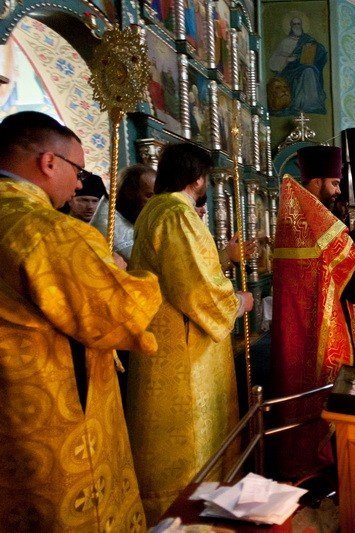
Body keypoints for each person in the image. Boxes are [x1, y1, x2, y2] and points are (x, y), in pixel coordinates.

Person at [0, 111, 162, 530]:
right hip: (49, 417)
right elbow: (120, 311)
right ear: (48, 162)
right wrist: (126, 273)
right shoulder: (46, 230)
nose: (78, 184)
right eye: (77, 170)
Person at [127, 143, 254, 523]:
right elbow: (196, 289)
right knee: (189, 448)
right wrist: (238, 302)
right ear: (198, 178)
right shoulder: (176, 213)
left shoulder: (156, 210)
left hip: (169, 341)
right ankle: (188, 520)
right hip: (181, 353)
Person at [270, 145, 355, 478]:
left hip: (302, 326)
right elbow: (352, 275)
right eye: (333, 183)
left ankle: (309, 462)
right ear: (315, 182)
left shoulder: (301, 212)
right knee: (321, 395)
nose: (337, 190)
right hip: (317, 326)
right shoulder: (310, 215)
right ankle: (319, 467)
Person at [91, 163, 156, 261]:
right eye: (149, 196)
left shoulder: (135, 216)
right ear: (129, 193)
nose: (155, 202)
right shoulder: (107, 225)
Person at [267, 17, 327, 115]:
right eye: (294, 24)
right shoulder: (285, 42)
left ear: (301, 25)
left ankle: (311, 103)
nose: (296, 26)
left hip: (304, 67)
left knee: (309, 70)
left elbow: (320, 53)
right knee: (307, 70)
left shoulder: (308, 40)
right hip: (289, 70)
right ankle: (298, 103)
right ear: (291, 26)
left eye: (298, 24)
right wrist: (287, 59)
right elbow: (273, 62)